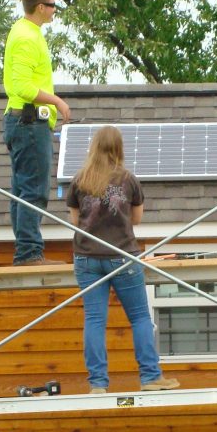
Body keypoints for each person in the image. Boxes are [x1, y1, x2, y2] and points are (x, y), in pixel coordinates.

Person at [66, 126, 180, 393]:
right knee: (140, 317)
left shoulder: (80, 180)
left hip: (86, 257)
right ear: (119, 148)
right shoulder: (128, 180)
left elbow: (75, 221)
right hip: (122, 256)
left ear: (93, 147)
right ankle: (151, 377)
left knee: (94, 319)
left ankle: (97, 384)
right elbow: (136, 219)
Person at [3, 0, 72, 266]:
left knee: (23, 188)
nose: (56, 10)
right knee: (33, 188)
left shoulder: (28, 33)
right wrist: (57, 101)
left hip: (23, 122)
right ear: (41, 7)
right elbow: (20, 85)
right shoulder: (25, 37)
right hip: (29, 122)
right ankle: (29, 252)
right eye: (53, 5)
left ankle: (26, 250)